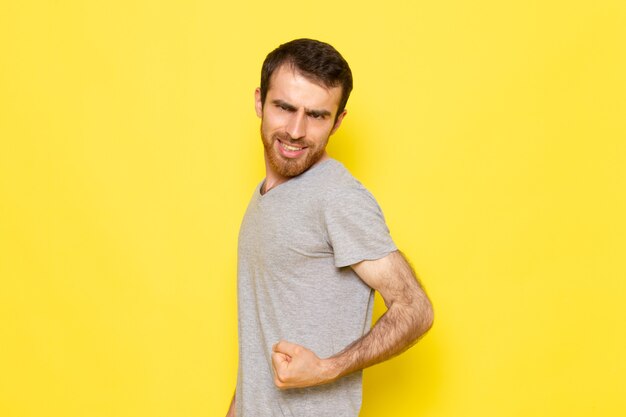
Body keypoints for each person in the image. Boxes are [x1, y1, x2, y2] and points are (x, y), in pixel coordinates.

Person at [226, 38, 434, 417]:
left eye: (317, 115)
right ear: (259, 101)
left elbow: (415, 309)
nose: (295, 130)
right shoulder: (265, 196)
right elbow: (259, 343)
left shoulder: (336, 196)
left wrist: (327, 368)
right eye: (284, 107)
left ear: (338, 121)